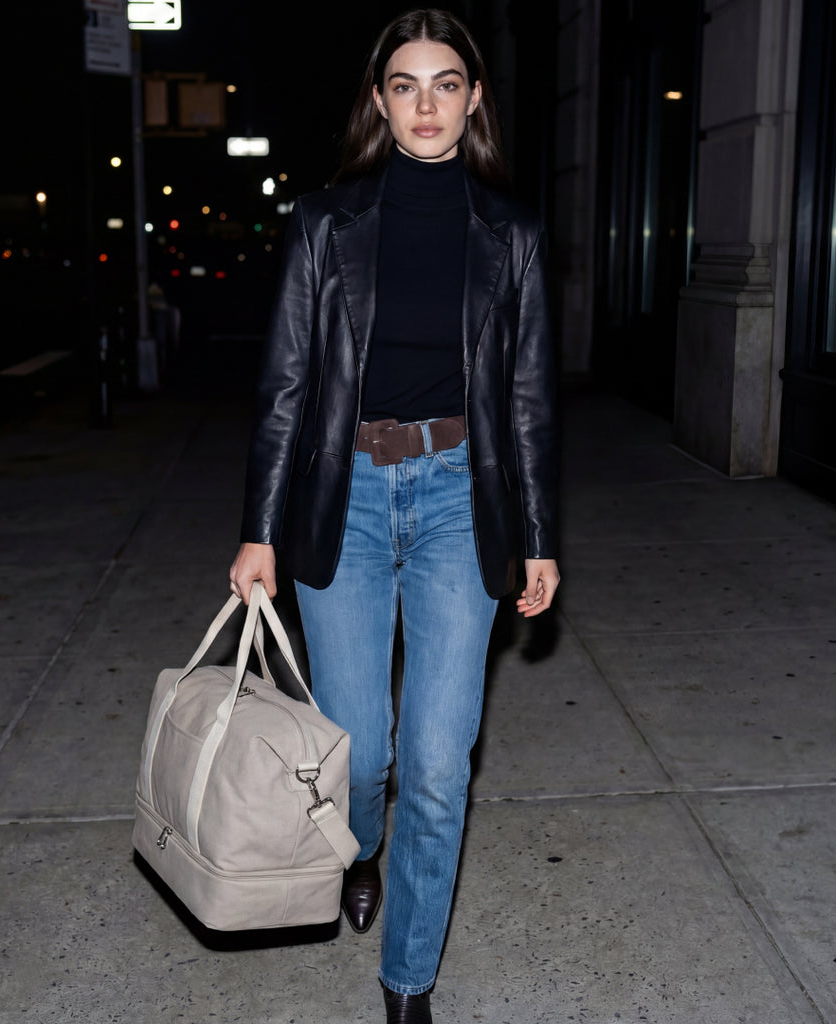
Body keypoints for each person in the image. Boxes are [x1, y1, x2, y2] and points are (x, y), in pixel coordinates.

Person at [229, 9, 560, 1023]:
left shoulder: (512, 235)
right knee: (359, 751)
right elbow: (286, 384)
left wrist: (541, 535)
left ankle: (407, 981)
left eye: (446, 83)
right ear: (380, 100)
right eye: (406, 84)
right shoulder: (326, 224)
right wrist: (258, 527)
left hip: (464, 497)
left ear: (473, 100)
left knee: (436, 760)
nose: (426, 104)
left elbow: (530, 397)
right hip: (350, 499)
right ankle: (358, 848)